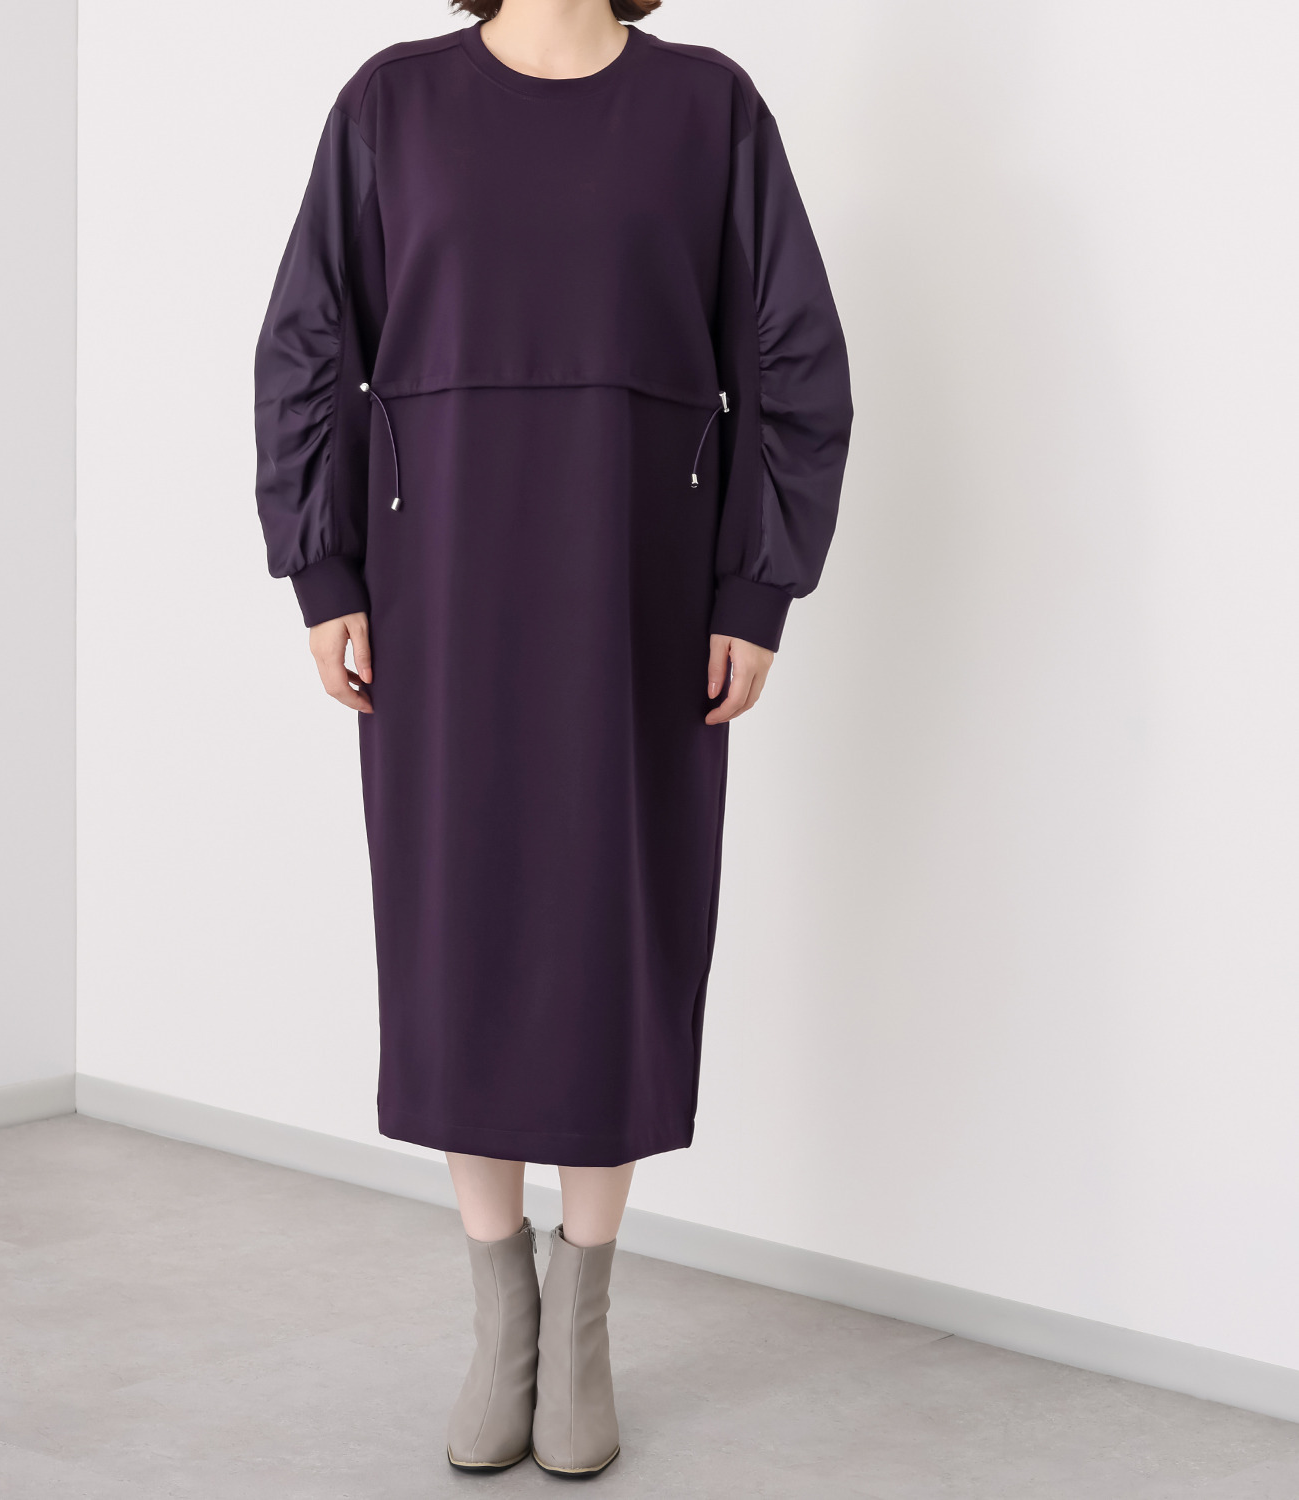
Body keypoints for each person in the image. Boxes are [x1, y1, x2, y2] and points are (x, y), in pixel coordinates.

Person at [253, 0, 851, 1477]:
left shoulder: (710, 108)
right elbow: (310, 343)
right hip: (439, 587)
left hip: (640, 590)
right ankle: (499, 1322)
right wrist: (324, 572)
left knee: (611, 936)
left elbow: (793, 358)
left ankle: (582, 1326)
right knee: (462, 931)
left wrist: (756, 590)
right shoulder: (392, 104)